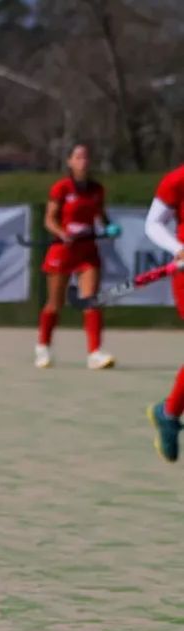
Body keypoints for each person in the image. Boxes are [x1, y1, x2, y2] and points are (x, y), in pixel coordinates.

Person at [34, 143, 115, 370]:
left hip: (87, 251)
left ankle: (95, 353)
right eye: (78, 157)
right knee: (55, 303)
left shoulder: (97, 189)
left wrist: (109, 227)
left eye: (86, 157)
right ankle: (43, 347)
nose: (83, 162)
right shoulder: (61, 188)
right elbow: (49, 219)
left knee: (92, 300)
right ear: (69, 162)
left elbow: (101, 216)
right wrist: (62, 233)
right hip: (63, 251)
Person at [144, 162, 184, 462]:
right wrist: (178, 248)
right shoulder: (178, 180)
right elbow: (153, 223)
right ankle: (169, 415)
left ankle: (168, 412)